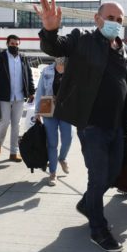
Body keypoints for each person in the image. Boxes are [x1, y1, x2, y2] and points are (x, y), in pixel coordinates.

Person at [35, 0, 127, 252]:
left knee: (112, 176)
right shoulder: (82, 40)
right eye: (110, 18)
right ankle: (98, 229)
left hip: (117, 126)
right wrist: (49, 29)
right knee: (98, 176)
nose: (115, 23)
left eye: (119, 20)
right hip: (92, 125)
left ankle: (87, 204)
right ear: (97, 19)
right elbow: (55, 47)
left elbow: (125, 87)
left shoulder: (122, 50)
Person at [0, 35, 36, 162]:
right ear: (7, 43)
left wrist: (31, 91)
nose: (14, 46)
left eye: (16, 44)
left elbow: (28, 75)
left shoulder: (23, 58)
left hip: (19, 96)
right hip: (4, 95)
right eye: (12, 44)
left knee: (16, 124)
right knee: (4, 122)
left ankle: (14, 152)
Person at [34, 57, 73, 186]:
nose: (61, 58)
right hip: (47, 105)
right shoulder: (47, 70)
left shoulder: (72, 70)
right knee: (52, 142)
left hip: (66, 108)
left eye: (63, 55)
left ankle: (62, 158)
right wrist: (37, 111)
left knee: (67, 138)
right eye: (58, 55)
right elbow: (40, 91)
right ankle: (52, 173)